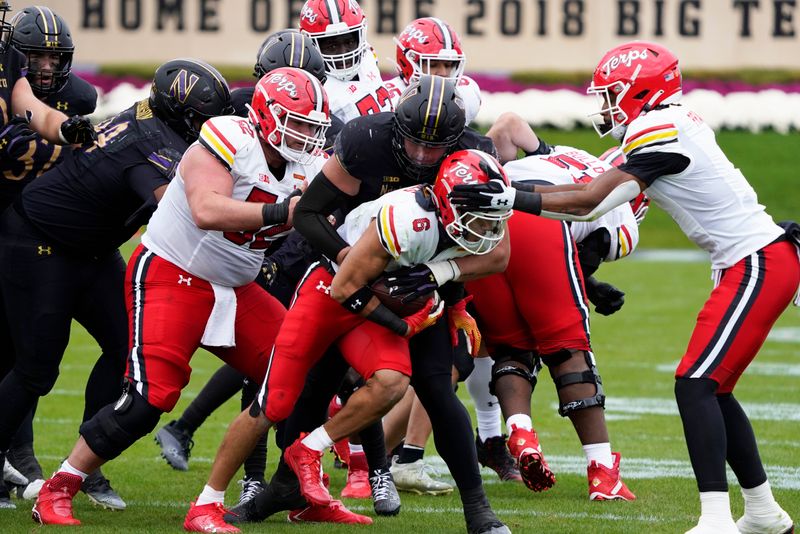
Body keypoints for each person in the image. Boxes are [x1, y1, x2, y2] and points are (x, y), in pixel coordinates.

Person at [450, 40, 799, 534]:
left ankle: (717, 520)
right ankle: (763, 512)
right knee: (713, 391)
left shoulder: (658, 127)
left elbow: (588, 201)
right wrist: (514, 198)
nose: (606, 105)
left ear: (641, 91)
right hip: (751, 261)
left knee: (696, 387)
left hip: (758, 260)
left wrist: (509, 196)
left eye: (613, 94)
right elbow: (585, 201)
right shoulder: (669, 122)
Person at [19, 58, 242, 527]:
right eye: (201, 119)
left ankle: (87, 464)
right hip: (45, 241)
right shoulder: (155, 144)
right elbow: (176, 207)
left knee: (123, 352)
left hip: (92, 248)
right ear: (180, 114)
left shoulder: (151, 116)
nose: (207, 128)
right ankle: (12, 459)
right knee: (36, 367)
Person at [152, 29, 330, 509]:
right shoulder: (233, 131)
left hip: (252, 264)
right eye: (293, 115)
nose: (305, 127)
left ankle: (295, 481)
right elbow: (208, 206)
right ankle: (242, 478)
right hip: (198, 263)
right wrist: (280, 217)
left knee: (292, 369)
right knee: (154, 391)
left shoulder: (315, 148)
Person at [456, 122, 639, 500]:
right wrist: (592, 289)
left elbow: (506, 126)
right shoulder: (623, 211)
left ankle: (520, 432)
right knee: (566, 347)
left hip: (481, 218)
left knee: (510, 349)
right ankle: (603, 470)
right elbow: (571, 265)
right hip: (537, 220)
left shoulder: (564, 155)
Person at [1, 4, 102, 506]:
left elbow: (49, 130)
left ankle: (77, 460)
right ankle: (17, 456)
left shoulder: (77, 96)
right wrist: (79, 151)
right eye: (35, 55)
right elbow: (15, 154)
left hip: (47, 233)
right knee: (20, 355)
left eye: (53, 56)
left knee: (29, 355)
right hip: (10, 225)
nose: (45, 66)